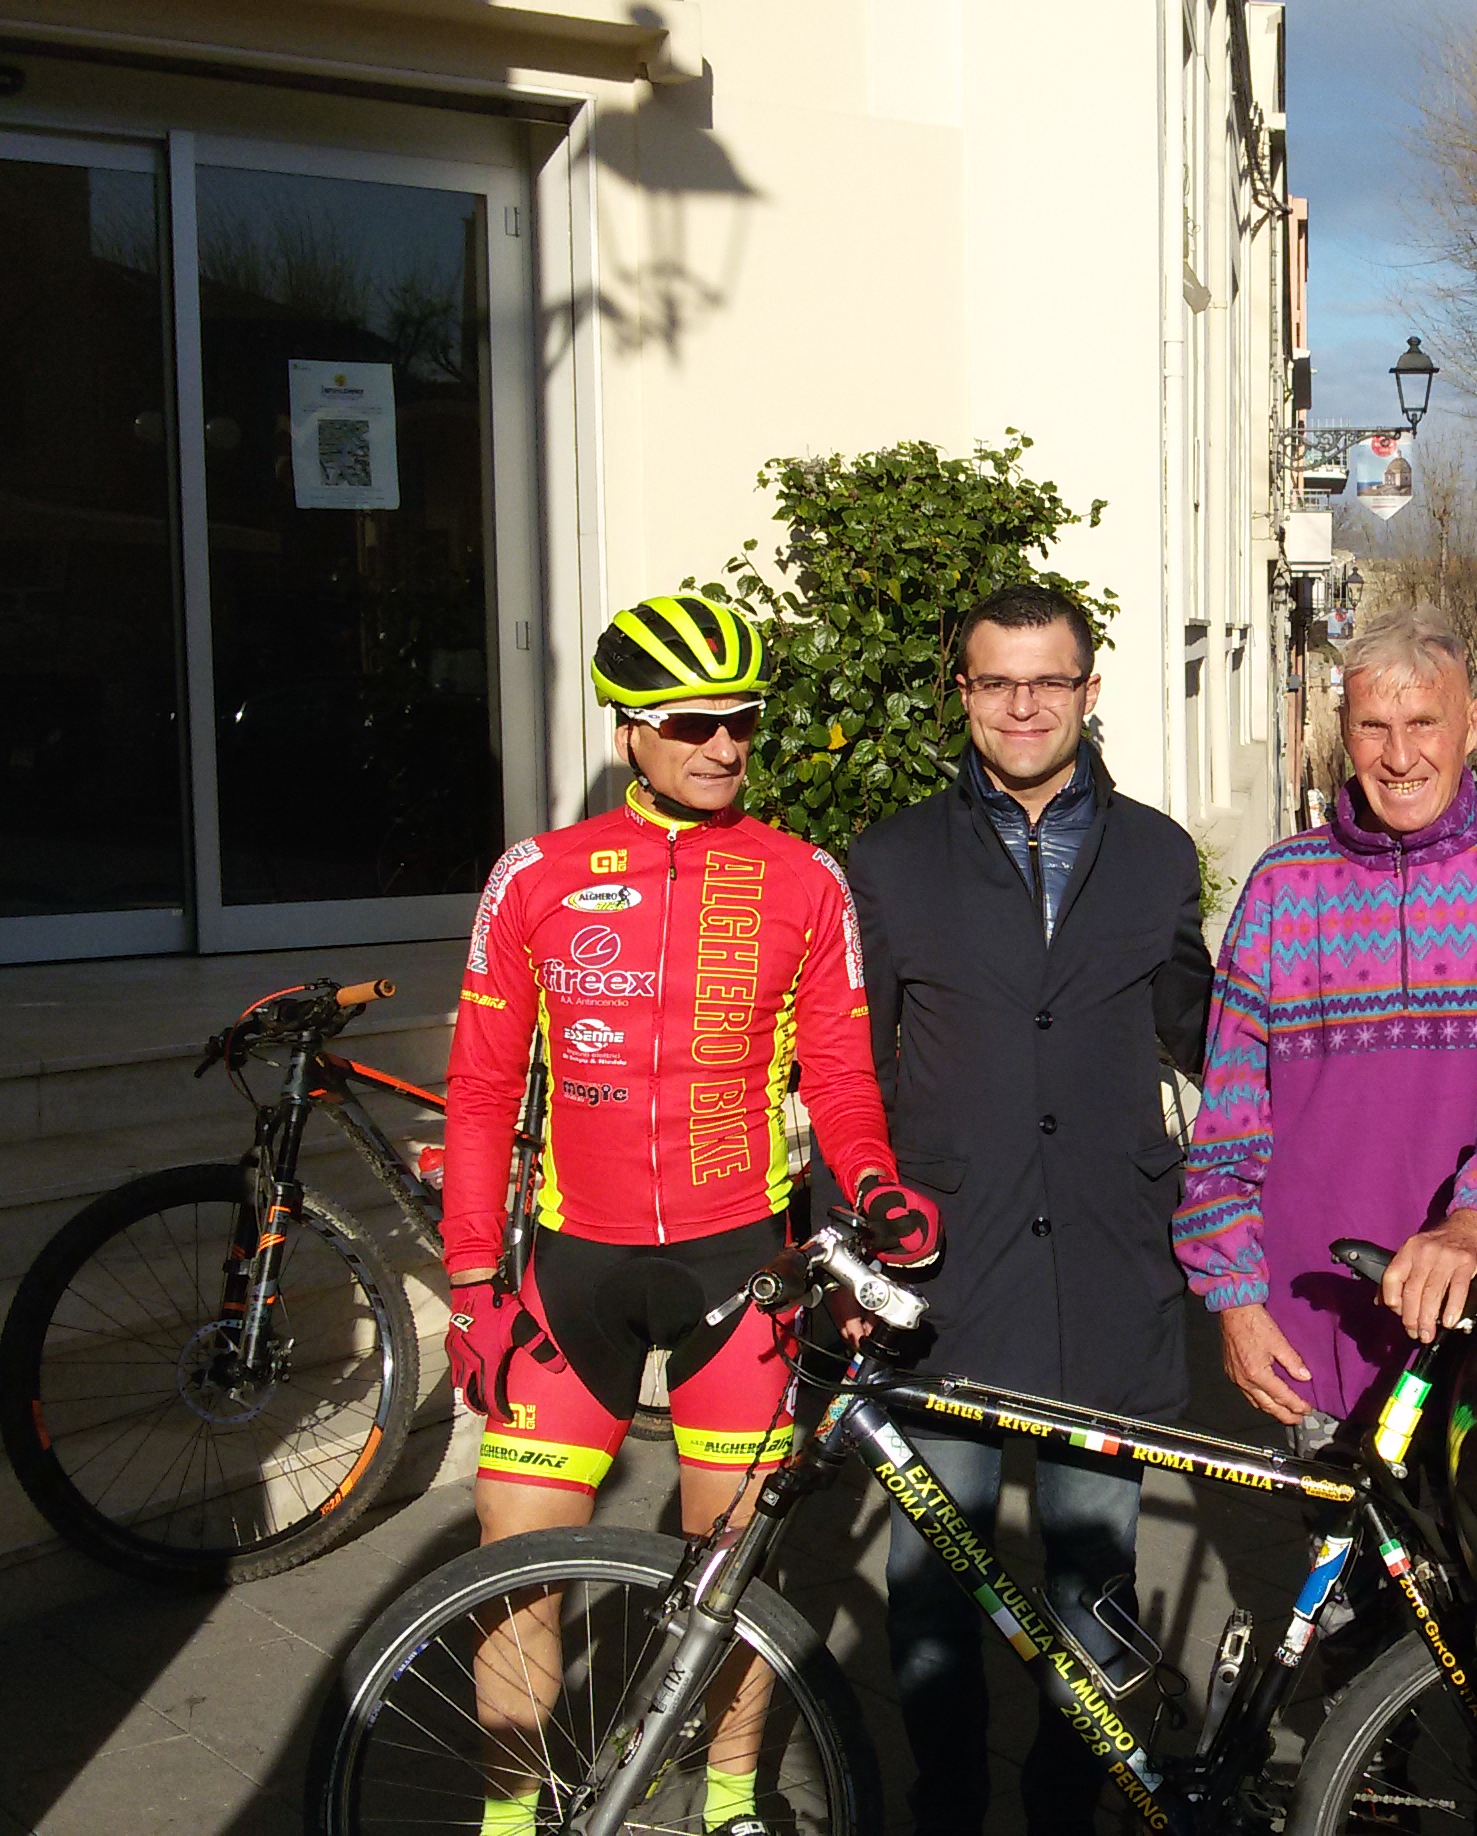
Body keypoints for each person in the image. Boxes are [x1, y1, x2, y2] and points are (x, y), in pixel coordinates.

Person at [440, 592, 942, 1836]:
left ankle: (728, 1804)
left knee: (738, 1577)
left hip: (743, 1269)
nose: (724, 747)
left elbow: (839, 1078)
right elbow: (481, 1088)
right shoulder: (537, 877)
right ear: (629, 733)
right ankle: (513, 1820)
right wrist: (467, 1281)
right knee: (515, 1576)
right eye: (693, 723)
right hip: (575, 1272)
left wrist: (871, 1183)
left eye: (744, 725)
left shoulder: (802, 879)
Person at [845, 582, 1215, 1836]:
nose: (1021, 705)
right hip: (946, 1274)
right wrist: (845, 1241)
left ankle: (1070, 1809)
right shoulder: (891, 859)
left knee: (1092, 1565)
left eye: (1047, 681)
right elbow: (856, 1073)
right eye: (996, 681)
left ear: (1088, 690)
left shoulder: (1160, 853)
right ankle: (945, 1807)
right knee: (934, 1578)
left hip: (1109, 1268)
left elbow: (1204, 1029)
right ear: (963, 692)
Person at [1177, 602, 1477, 1434]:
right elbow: (1231, 1117)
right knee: (1328, 1563)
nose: (1400, 755)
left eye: (1424, 722)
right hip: (1315, 1328)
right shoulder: (1282, 886)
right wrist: (1231, 1295)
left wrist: (1475, 1220)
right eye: (1374, 726)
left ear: (1473, 724)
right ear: (1345, 731)